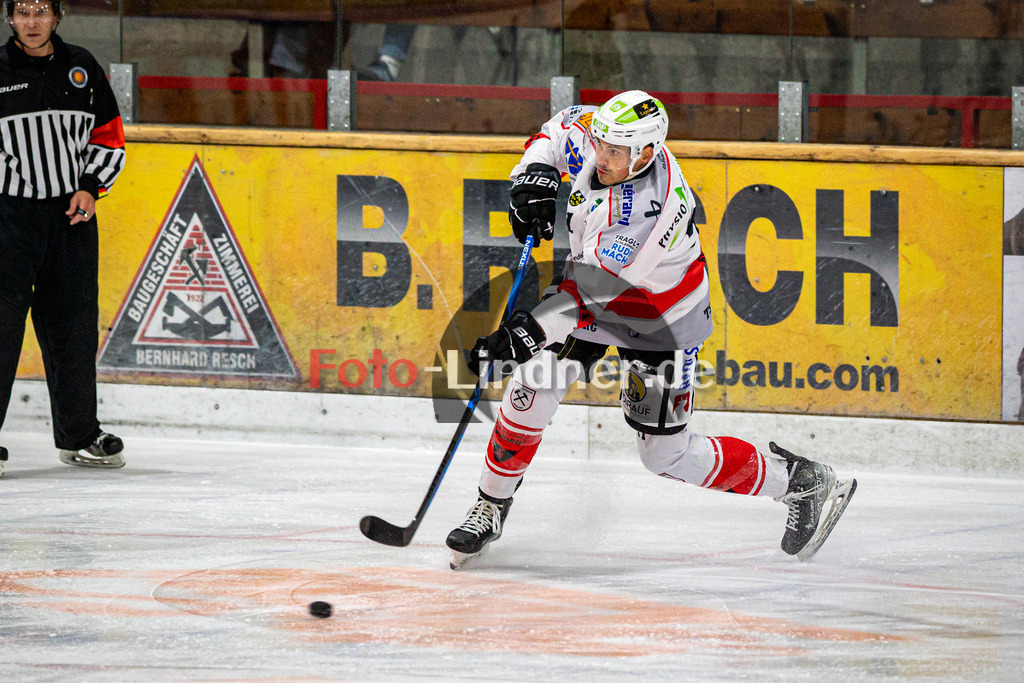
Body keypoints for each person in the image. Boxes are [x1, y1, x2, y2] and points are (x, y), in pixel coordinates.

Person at [446, 90, 855, 568]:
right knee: (531, 389)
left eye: (615, 153)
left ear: (647, 153)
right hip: (586, 288)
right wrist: (532, 176)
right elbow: (558, 131)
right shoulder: (610, 139)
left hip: (657, 319)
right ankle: (491, 505)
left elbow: (592, 296)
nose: (601, 158)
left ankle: (799, 481)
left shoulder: (650, 211)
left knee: (666, 456)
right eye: (601, 144)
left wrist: (522, 335)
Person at [0, 0, 126, 477]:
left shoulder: (82, 66)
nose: (32, 21)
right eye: (22, 11)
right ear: (10, 17)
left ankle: (80, 434)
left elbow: (110, 135)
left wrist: (91, 187)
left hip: (71, 216)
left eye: (41, 10)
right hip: (8, 215)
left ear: (57, 15)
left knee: (73, 324)